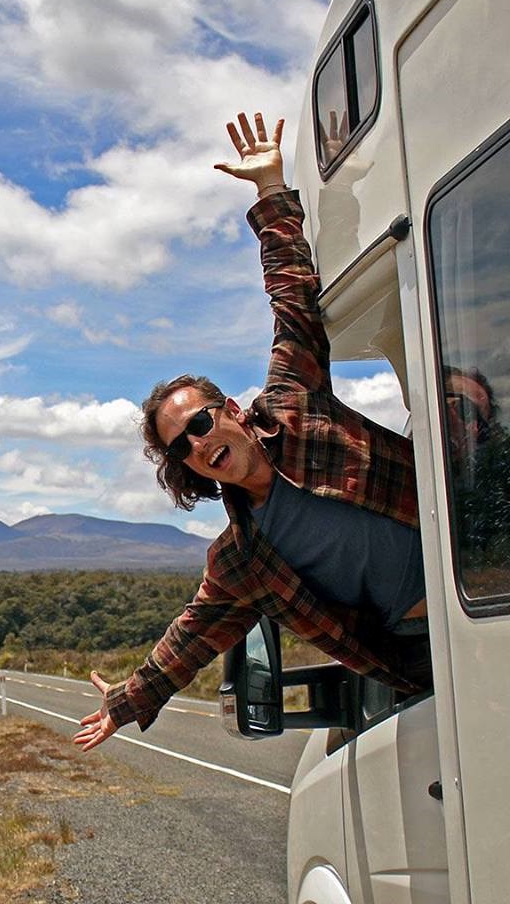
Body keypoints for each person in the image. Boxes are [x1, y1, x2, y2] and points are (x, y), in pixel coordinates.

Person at [74, 112, 430, 752]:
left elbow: (292, 298)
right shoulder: (243, 559)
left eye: (201, 423)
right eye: (183, 447)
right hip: (425, 650)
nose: (200, 443)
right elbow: (193, 636)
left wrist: (270, 190)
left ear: (234, 411)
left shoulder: (295, 406)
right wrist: (128, 701)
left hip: (484, 563)